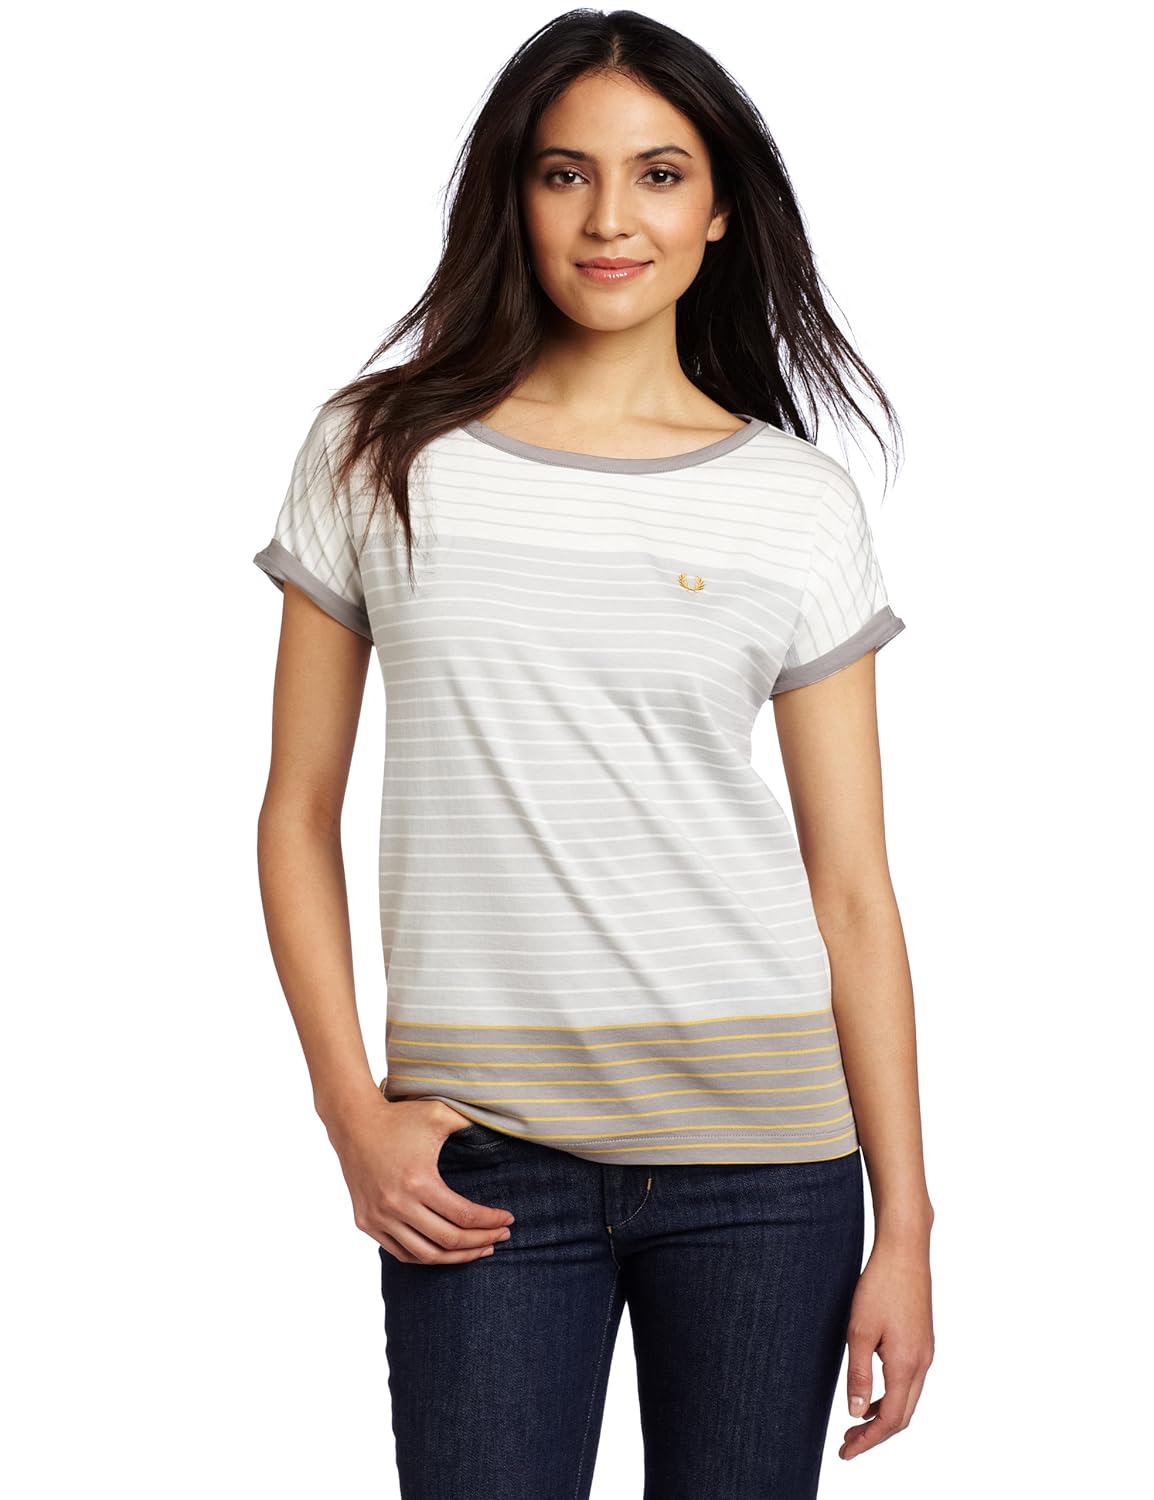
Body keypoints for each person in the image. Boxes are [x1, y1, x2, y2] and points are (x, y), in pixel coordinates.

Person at [252, 10, 934, 1497]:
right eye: (565, 173)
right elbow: (296, 813)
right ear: (513, 194)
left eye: (658, 174)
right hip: (479, 1158)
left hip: (767, 1165)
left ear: (720, 210)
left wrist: (907, 1228)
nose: (610, 217)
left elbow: (852, 888)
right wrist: (350, 1112)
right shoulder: (377, 453)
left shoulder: (796, 501)